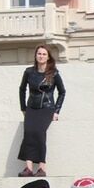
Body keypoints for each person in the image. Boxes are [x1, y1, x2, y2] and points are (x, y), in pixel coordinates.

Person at [17, 45, 66, 177]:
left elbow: (62, 92)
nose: (41, 56)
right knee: (28, 132)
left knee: (39, 132)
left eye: (44, 54)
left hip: (47, 107)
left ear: (48, 57)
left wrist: (57, 111)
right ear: (36, 55)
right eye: (39, 53)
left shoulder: (54, 73)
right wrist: (23, 108)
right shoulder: (29, 72)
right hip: (32, 107)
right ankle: (28, 168)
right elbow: (22, 89)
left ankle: (41, 168)